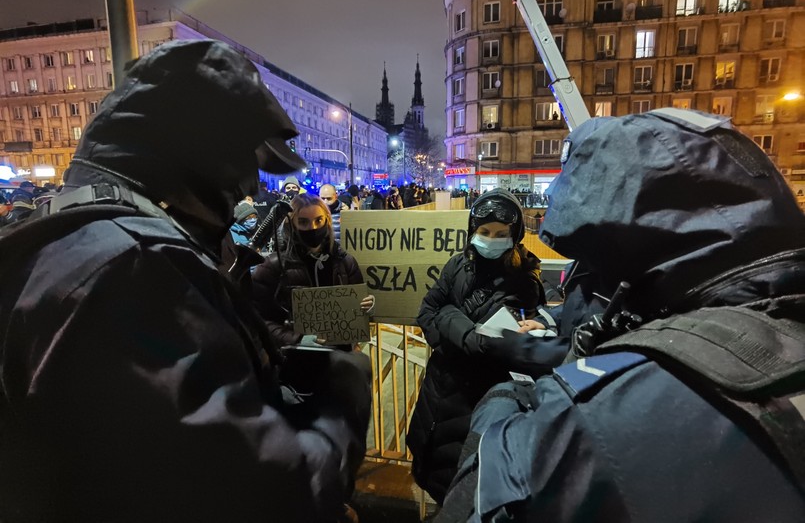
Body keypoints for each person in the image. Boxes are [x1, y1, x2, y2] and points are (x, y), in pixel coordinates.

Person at [0, 39, 372, 522]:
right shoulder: (130, 267)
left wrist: (273, 367)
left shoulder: (65, 237)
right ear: (194, 161)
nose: (249, 192)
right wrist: (339, 412)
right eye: (241, 174)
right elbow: (262, 492)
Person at [438, 109, 805, 521]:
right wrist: (546, 327)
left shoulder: (594, 412)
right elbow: (437, 309)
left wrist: (506, 401)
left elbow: (477, 502)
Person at [407, 188, 568, 505]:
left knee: (463, 484)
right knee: (431, 465)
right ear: (472, 231)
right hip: (439, 392)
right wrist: (464, 335)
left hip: (480, 400)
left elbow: (507, 347)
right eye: (484, 232)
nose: (490, 239)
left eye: (500, 233)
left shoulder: (524, 280)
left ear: (514, 234)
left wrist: (452, 321)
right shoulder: (457, 265)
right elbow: (427, 311)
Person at [251, 193, 375, 348]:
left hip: (340, 355)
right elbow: (257, 320)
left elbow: (359, 312)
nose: (313, 228)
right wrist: (297, 340)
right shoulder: (273, 266)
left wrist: (366, 309)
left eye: (319, 220)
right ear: (292, 224)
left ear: (328, 221)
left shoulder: (344, 261)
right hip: (295, 360)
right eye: (303, 222)